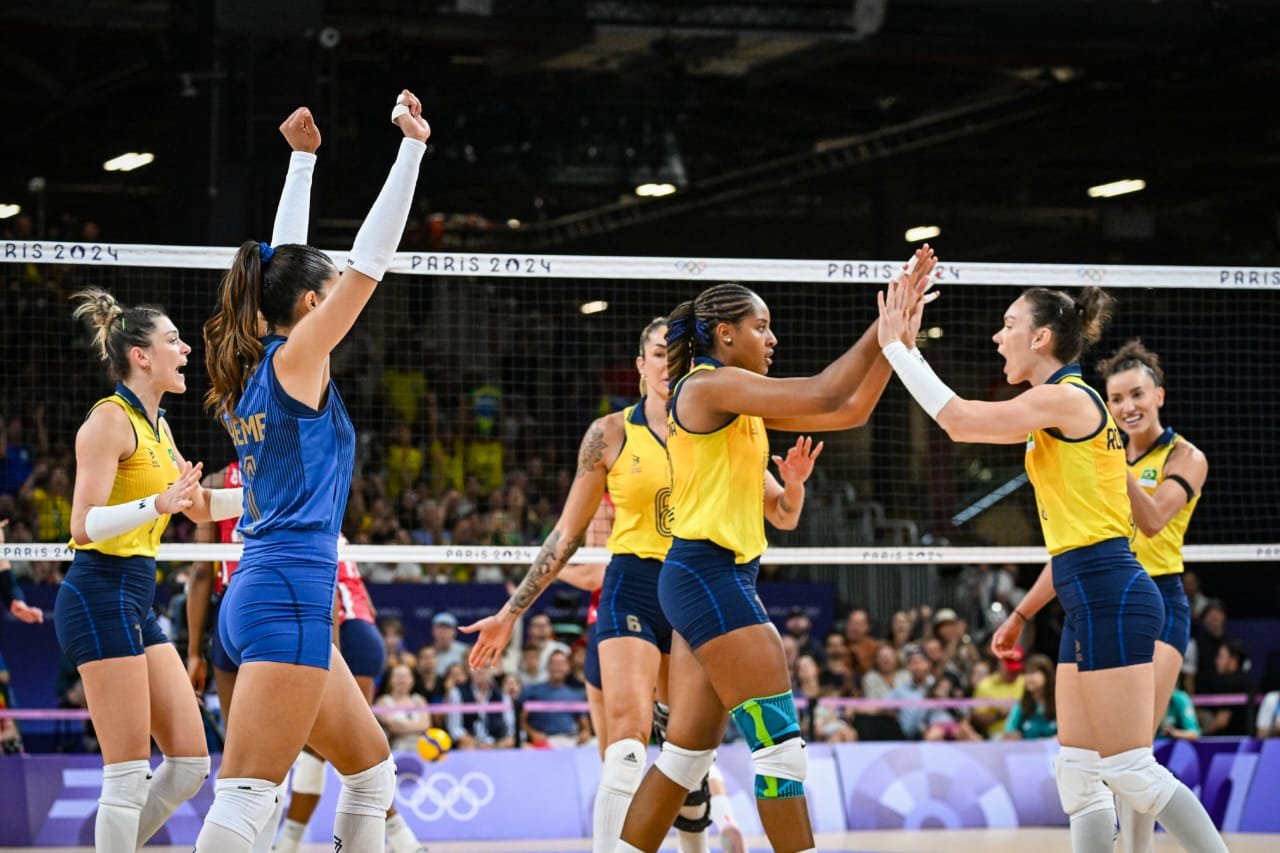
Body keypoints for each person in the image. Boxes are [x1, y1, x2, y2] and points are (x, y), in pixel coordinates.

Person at [876, 278, 1226, 853]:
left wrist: (898, 348)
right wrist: (1021, 613)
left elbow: (959, 421)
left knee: (1131, 769)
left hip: (1113, 589)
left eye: (1008, 326)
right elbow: (1071, 540)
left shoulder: (1068, 398)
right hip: (1083, 590)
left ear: (1040, 337)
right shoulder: (1056, 409)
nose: (997, 336)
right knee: (1080, 773)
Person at [614, 247, 938, 853]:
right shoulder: (708, 386)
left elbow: (852, 407)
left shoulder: (737, 404)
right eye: (760, 326)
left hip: (708, 579)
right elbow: (822, 391)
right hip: (709, 577)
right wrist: (882, 325)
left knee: (685, 759)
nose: (772, 337)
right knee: (781, 750)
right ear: (724, 333)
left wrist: (898, 343)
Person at [465, 316, 824, 853]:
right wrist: (510, 613)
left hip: (700, 587)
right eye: (657, 354)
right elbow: (565, 535)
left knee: (687, 754)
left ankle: (696, 837)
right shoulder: (609, 434)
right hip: (633, 584)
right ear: (640, 365)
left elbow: (783, 514)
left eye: (674, 355)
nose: (666, 364)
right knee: (628, 746)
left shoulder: (718, 419)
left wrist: (792, 487)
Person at [194, 89, 430, 852]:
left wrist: (302, 165)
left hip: (260, 587)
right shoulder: (295, 360)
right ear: (308, 303)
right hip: (290, 589)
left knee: (370, 774)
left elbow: (283, 269)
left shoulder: (247, 367)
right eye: (323, 298)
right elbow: (368, 264)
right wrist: (411, 150)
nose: (338, 307)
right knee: (245, 800)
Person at [55, 285, 239, 851]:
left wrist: (271, 496)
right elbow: (82, 525)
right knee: (127, 774)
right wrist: (155, 505)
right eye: (174, 341)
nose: (185, 350)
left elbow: (200, 505)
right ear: (141, 356)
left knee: (188, 763)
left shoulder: (158, 427)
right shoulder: (110, 421)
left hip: (136, 597)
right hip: (97, 589)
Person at [1096, 339, 1209, 853]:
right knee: (1118, 755)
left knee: (1133, 752)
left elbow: (1156, 517)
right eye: (1115, 399)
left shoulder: (1185, 456)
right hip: (1114, 601)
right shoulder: (1106, 455)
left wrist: (1112, 464)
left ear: (1158, 394)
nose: (1126, 407)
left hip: (1161, 601)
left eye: (1136, 394)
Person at [274, 542, 427, 853]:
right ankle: (405, 843)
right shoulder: (329, 525)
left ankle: (287, 845)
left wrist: (332, 655)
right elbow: (368, 607)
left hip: (343, 637)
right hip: (364, 634)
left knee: (344, 753)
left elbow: (327, 588)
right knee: (327, 752)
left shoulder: (307, 522)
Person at [1002, 653, 1057, 740]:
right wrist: (1012, 736)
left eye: (1033, 672)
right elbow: (1007, 733)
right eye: (1025, 673)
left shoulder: (1060, 704)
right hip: (1028, 752)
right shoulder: (1021, 705)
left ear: (1047, 675)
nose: (1028, 678)